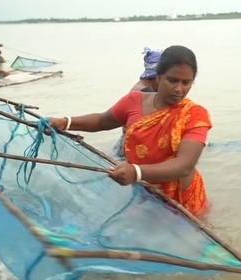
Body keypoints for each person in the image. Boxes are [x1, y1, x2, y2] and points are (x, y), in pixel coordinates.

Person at [47, 45, 212, 216]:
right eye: (172, 80)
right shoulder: (134, 101)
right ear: (158, 76)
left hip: (182, 201)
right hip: (145, 190)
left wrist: (136, 172)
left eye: (186, 83)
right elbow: (102, 121)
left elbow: (184, 165)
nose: (179, 89)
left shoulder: (194, 115)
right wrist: (66, 122)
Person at [113, 47, 163, 159]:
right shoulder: (145, 92)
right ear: (157, 77)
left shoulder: (140, 87)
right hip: (132, 148)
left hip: (125, 145)